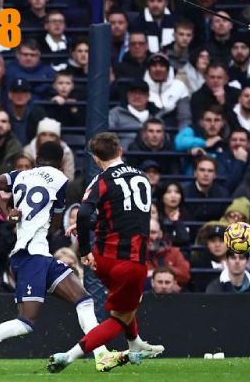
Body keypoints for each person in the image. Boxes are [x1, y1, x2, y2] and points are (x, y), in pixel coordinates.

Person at [0, 143, 116, 373]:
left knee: (84, 299)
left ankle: (101, 355)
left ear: (37, 158)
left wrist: (5, 211)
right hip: (31, 255)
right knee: (25, 322)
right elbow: (53, 217)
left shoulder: (20, 175)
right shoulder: (60, 178)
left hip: (40, 255)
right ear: (61, 162)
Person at [47, 132, 165, 372]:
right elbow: (128, 216)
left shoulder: (101, 180)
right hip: (130, 263)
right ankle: (68, 357)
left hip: (102, 260)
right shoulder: (143, 178)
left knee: (128, 303)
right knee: (120, 317)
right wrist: (85, 229)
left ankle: (135, 345)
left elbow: (92, 214)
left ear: (95, 158)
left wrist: (85, 250)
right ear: (120, 150)